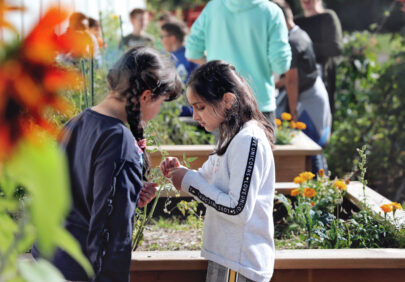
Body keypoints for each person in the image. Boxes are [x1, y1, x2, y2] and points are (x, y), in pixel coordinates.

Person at [32, 47, 182, 282]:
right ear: (145, 96)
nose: (159, 109)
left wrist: (130, 195)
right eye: (161, 101)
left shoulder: (78, 121)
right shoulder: (120, 141)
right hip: (82, 268)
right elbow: (114, 235)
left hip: (49, 258)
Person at [160, 60, 276, 282]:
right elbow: (206, 178)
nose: (195, 116)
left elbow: (237, 209)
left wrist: (188, 181)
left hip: (240, 263)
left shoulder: (248, 139)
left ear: (228, 100)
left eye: (200, 106)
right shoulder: (233, 136)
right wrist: (181, 172)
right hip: (230, 259)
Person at [185, 0, 291, 127]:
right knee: (261, 147)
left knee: (226, 147)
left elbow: (192, 52)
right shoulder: (271, 11)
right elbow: (281, 65)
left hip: (220, 103)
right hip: (259, 102)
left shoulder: (212, 8)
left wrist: (219, 70)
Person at [273, 0, 331, 173]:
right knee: (313, 148)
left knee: (309, 148)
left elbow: (292, 81)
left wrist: (293, 113)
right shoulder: (300, 33)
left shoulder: (291, 41)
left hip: (307, 99)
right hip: (315, 92)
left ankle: (318, 189)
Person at [295, 0, 343, 116]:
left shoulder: (327, 17)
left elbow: (335, 48)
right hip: (299, 82)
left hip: (322, 79)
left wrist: (304, 49)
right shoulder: (297, 22)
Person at [161, 20, 199, 117]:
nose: (161, 40)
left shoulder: (191, 56)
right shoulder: (163, 57)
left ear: (172, 38)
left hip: (189, 113)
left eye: (163, 36)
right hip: (169, 111)